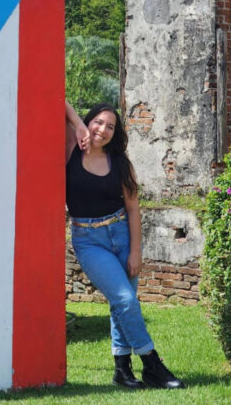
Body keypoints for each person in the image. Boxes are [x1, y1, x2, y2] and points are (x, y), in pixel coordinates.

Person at [65, 101, 185, 390]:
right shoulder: (71, 149)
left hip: (121, 235)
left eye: (110, 126)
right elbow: (57, 100)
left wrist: (136, 251)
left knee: (122, 304)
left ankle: (122, 369)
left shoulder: (120, 162)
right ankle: (152, 363)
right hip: (88, 239)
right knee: (125, 300)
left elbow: (133, 208)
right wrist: (78, 125)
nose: (103, 130)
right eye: (98, 122)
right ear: (89, 121)